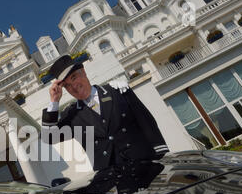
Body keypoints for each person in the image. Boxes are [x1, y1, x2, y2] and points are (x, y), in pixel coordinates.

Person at [41, 55, 169, 171]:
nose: (73, 86)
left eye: (74, 78)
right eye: (67, 85)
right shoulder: (72, 115)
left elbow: (146, 122)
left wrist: (161, 156)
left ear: (83, 72)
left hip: (145, 164)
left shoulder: (117, 91)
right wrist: (54, 102)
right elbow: (49, 137)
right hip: (111, 181)